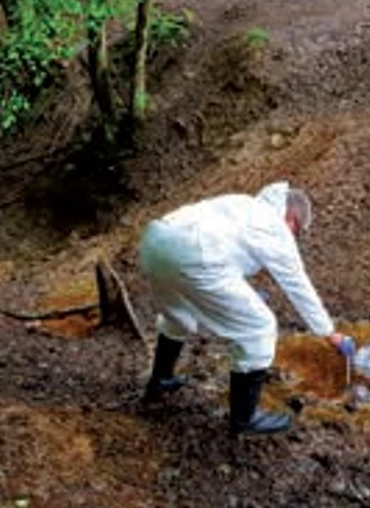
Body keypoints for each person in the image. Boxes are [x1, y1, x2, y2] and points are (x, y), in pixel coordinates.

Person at [138, 182, 354, 435]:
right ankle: (244, 418)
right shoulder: (274, 228)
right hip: (194, 256)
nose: (294, 238)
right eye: (297, 232)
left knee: (178, 313)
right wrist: (329, 332)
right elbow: (297, 284)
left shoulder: (244, 205)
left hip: (156, 242)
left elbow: (224, 251)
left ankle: (161, 380)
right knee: (260, 327)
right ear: (291, 218)